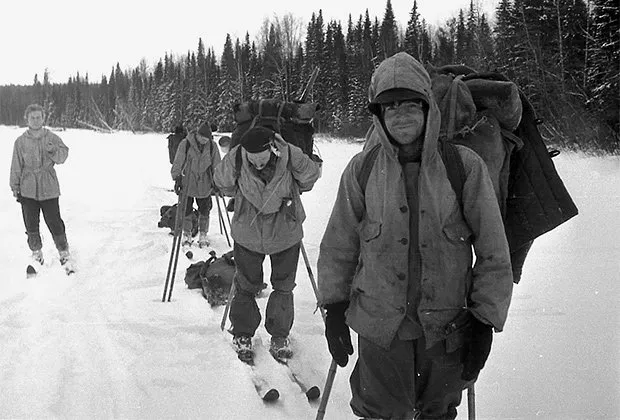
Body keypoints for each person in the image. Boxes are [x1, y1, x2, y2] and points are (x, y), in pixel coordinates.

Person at [317, 52, 514, 420]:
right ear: (379, 116)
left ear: (428, 108)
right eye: (390, 107)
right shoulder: (363, 170)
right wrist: (334, 308)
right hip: (380, 330)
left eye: (411, 104)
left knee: (438, 414)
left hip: (446, 331)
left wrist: (485, 321)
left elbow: (493, 251)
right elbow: (339, 245)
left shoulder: (464, 166)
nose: (402, 115)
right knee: (379, 413)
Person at [214, 126, 321, 361]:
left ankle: (280, 335)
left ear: (272, 149)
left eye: (262, 160)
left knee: (283, 286)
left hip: (285, 233)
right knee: (245, 285)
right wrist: (233, 163)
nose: (258, 164)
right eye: (253, 160)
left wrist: (297, 157)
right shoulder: (238, 158)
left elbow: (311, 177)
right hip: (248, 234)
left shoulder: (289, 155)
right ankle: (243, 333)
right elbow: (222, 182)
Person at [10, 103, 73, 270]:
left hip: (49, 187)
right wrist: (15, 186)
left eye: (39, 117)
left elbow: (62, 157)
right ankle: (37, 254)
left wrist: (53, 151)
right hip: (27, 188)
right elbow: (16, 166)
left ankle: (64, 253)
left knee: (54, 221)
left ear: (43, 118)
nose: (36, 120)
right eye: (33, 117)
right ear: (27, 119)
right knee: (31, 224)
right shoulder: (20, 142)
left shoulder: (51, 137)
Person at [171, 121, 221, 248]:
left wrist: (218, 181)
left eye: (207, 138)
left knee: (205, 210)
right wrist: (177, 177)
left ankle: (203, 233)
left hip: (205, 182)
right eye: (203, 138)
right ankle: (187, 233)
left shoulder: (212, 146)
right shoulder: (186, 144)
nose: (205, 140)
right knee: (186, 210)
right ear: (197, 135)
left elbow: (217, 164)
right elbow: (178, 161)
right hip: (188, 181)